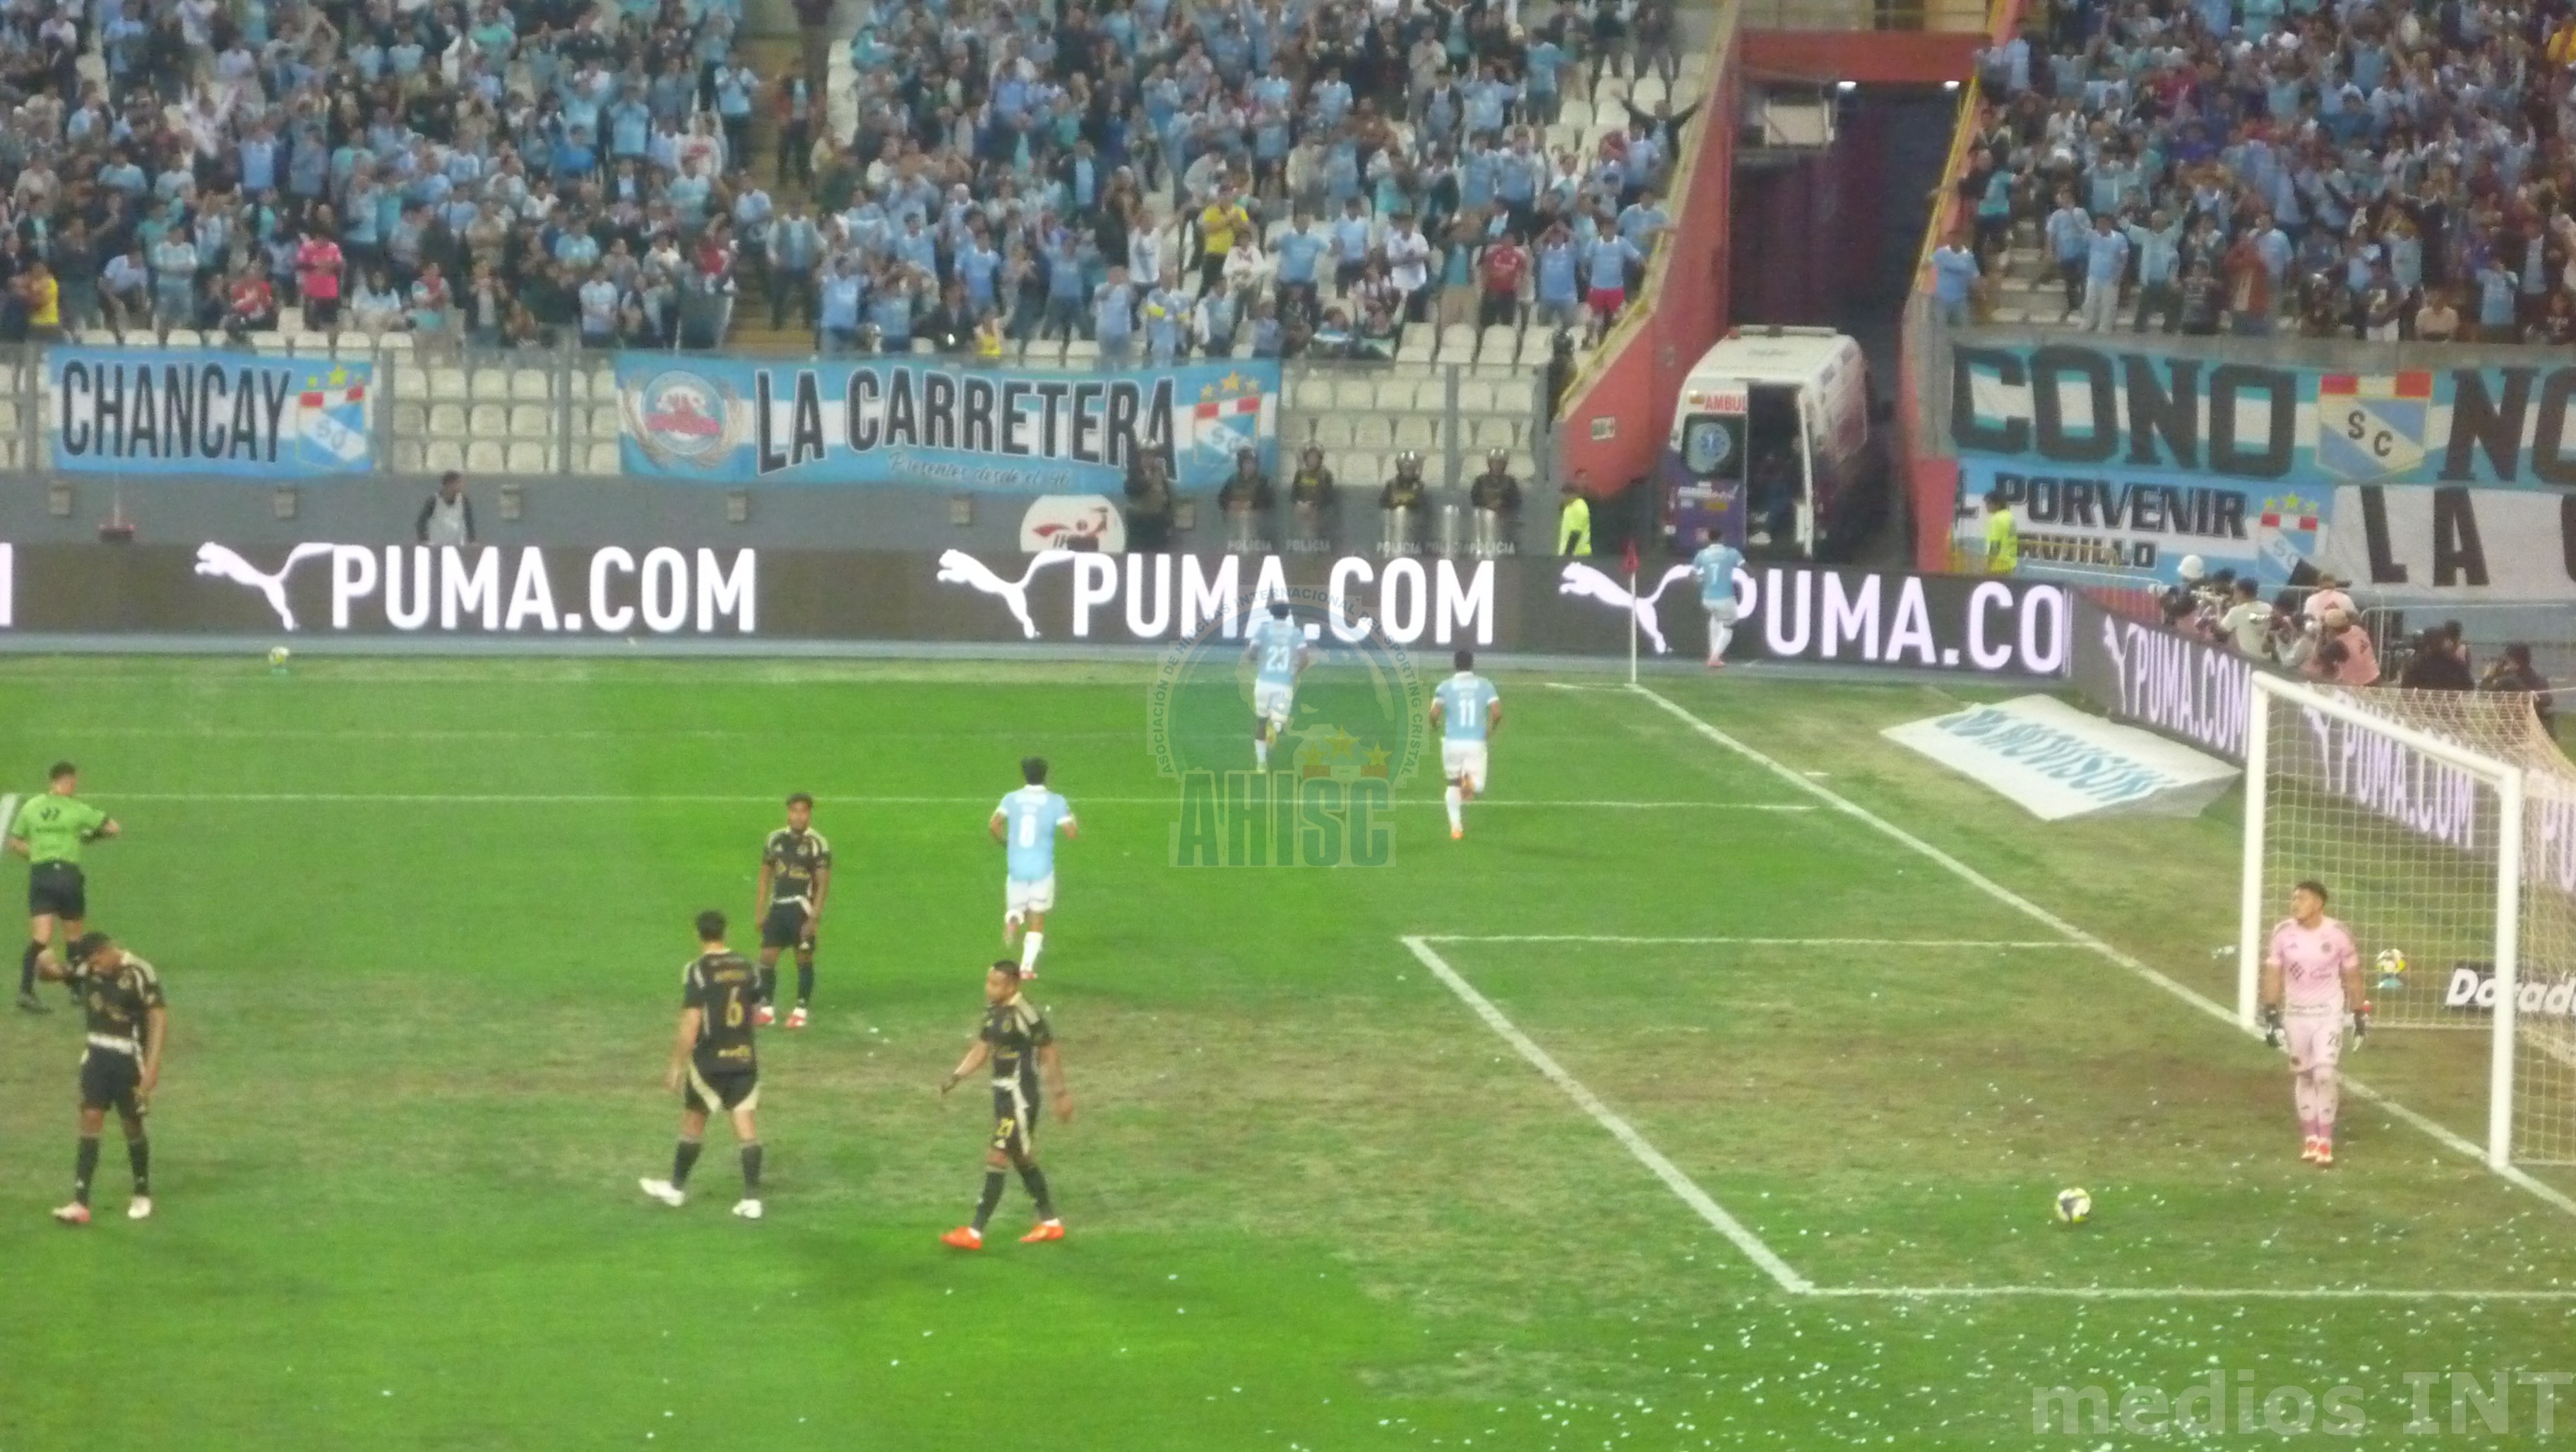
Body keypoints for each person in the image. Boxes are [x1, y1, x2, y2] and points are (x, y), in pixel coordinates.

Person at [29, 931, 166, 1225]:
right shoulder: (88, 967)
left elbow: (158, 1018)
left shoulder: (139, 972)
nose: (95, 969)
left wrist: (152, 1067)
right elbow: (52, 975)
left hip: (129, 1058)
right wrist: (43, 963)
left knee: (131, 1123)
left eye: (97, 961)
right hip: (96, 1055)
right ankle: (80, 1202)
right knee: (90, 1117)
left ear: (107, 951)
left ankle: (142, 1192)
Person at [639, 911, 767, 1220]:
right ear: (726, 932)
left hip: (710, 1060)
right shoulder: (747, 967)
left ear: (698, 934)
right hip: (743, 1057)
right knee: (745, 1125)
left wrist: (675, 1066)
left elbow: (691, 1022)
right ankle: (752, 1200)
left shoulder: (697, 970)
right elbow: (758, 1009)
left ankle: (676, 1188)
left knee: (694, 1121)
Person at [938, 960, 1071, 1250]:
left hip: (1019, 1097)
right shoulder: (994, 1011)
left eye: (996, 984)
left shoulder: (1027, 1014)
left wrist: (1060, 1095)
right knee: (1021, 1157)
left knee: (998, 1155)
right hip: (1001, 1095)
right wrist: (957, 1076)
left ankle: (975, 1232)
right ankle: (1051, 1223)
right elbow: (982, 1048)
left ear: (1012, 985)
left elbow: (1049, 1052)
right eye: (989, 982)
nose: (989, 989)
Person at [2259, 881, 2368, 1168]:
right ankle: (2310, 1138)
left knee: (2324, 1073)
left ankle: (2326, 1141)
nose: (2295, 904)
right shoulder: (2283, 933)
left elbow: (2353, 975)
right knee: (2305, 1075)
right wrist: (2270, 1012)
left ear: (2319, 903)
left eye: (2303, 898)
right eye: (2294, 898)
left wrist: (2360, 1013)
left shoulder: (2339, 934)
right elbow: (2273, 973)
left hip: (2328, 1013)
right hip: (2297, 1014)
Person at [11, 761, 119, 1013]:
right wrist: (90, 837)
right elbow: (113, 827)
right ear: (69, 781)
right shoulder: (76, 809)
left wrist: (38, 854)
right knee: (73, 936)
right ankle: (76, 990)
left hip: (41, 875)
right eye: (74, 782)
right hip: (68, 876)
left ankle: (25, 991)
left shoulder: (32, 806)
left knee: (41, 937)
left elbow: (15, 841)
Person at [990, 758, 1077, 977]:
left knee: (1018, 906)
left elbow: (994, 825)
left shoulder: (1011, 798)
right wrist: (1072, 818)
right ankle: (1027, 967)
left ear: (1024, 774)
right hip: (1042, 868)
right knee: (1037, 917)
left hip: (1016, 866)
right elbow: (1071, 833)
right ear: (1046, 775)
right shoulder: (1056, 801)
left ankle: (1014, 917)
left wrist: (1006, 844)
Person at [752, 793, 831, 1029]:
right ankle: (767, 1008)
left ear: (809, 814)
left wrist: (814, 917)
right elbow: (765, 876)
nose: (798, 816)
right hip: (778, 906)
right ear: (788, 813)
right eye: (794, 811)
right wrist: (760, 910)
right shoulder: (775, 839)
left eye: (803, 811)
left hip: (801, 908)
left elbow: (823, 884)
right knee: (767, 956)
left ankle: (800, 1008)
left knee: (803, 957)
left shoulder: (817, 843)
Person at [1429, 649, 1502, 840]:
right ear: (1472, 664)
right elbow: (1497, 713)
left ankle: (1456, 828)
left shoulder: (1445, 686)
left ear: (1455, 665)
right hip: (1475, 742)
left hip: (1452, 742)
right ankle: (1468, 782)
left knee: (1452, 784)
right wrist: (1489, 730)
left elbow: (1434, 714)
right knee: (1477, 787)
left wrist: (1435, 726)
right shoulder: (1485, 685)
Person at [1244, 600, 1313, 771]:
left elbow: (1252, 654)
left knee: (1261, 722)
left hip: (1263, 682)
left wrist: (1256, 659)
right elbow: (1304, 658)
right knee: (1279, 722)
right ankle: (1275, 727)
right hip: (1283, 684)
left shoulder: (1263, 630)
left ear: (1271, 613)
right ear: (1288, 614)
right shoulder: (1295, 632)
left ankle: (1261, 764)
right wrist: (1294, 674)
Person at [1692, 532, 1745, 669]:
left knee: (1715, 618)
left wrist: (1703, 579)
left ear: (1709, 539)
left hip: (1707, 598)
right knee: (1729, 626)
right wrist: (1752, 576)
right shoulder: (1732, 553)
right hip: (1725, 597)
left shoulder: (1702, 554)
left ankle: (1713, 653)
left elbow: (1692, 575)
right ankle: (1714, 658)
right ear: (1722, 539)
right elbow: (1746, 568)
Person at [2480, 643, 2556, 736]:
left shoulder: (2508, 681)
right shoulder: (2541, 680)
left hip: (2513, 732)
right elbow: (2547, 702)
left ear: (2513, 661)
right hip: (2538, 731)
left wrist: (2488, 675)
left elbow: (2483, 693)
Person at [416, 472, 475, 546]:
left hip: (457, 546)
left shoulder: (464, 502)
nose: (462, 485)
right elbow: (421, 523)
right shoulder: (433, 501)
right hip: (436, 546)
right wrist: (424, 540)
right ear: (449, 484)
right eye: (458, 483)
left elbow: (469, 523)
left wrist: (472, 541)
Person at [2217, 580, 2271, 659]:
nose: (2233, 595)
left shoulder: (2237, 611)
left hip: (2249, 658)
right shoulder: (2267, 607)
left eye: (2235, 591)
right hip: (2266, 659)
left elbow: (2221, 628)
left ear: (2241, 593)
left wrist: (2218, 607)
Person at [1980, 489, 2017, 573]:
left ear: (1997, 504)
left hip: (1998, 565)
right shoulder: (2009, 516)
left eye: (1989, 503)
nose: (1986, 506)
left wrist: (1988, 565)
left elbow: (1995, 545)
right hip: (2010, 563)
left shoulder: (1996, 520)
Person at [1557, 480, 1592, 557]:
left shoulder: (1579, 507)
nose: (1562, 498)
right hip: (1573, 554)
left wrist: (1567, 556)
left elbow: (1576, 533)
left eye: (1564, 494)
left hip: (1578, 554)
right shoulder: (1569, 508)